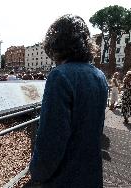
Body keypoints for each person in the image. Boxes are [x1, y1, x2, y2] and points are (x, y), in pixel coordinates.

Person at [29, 14, 108, 188]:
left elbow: (51, 138)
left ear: (56, 43)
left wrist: (37, 172)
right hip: (91, 173)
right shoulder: (100, 76)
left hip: (64, 178)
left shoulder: (60, 76)